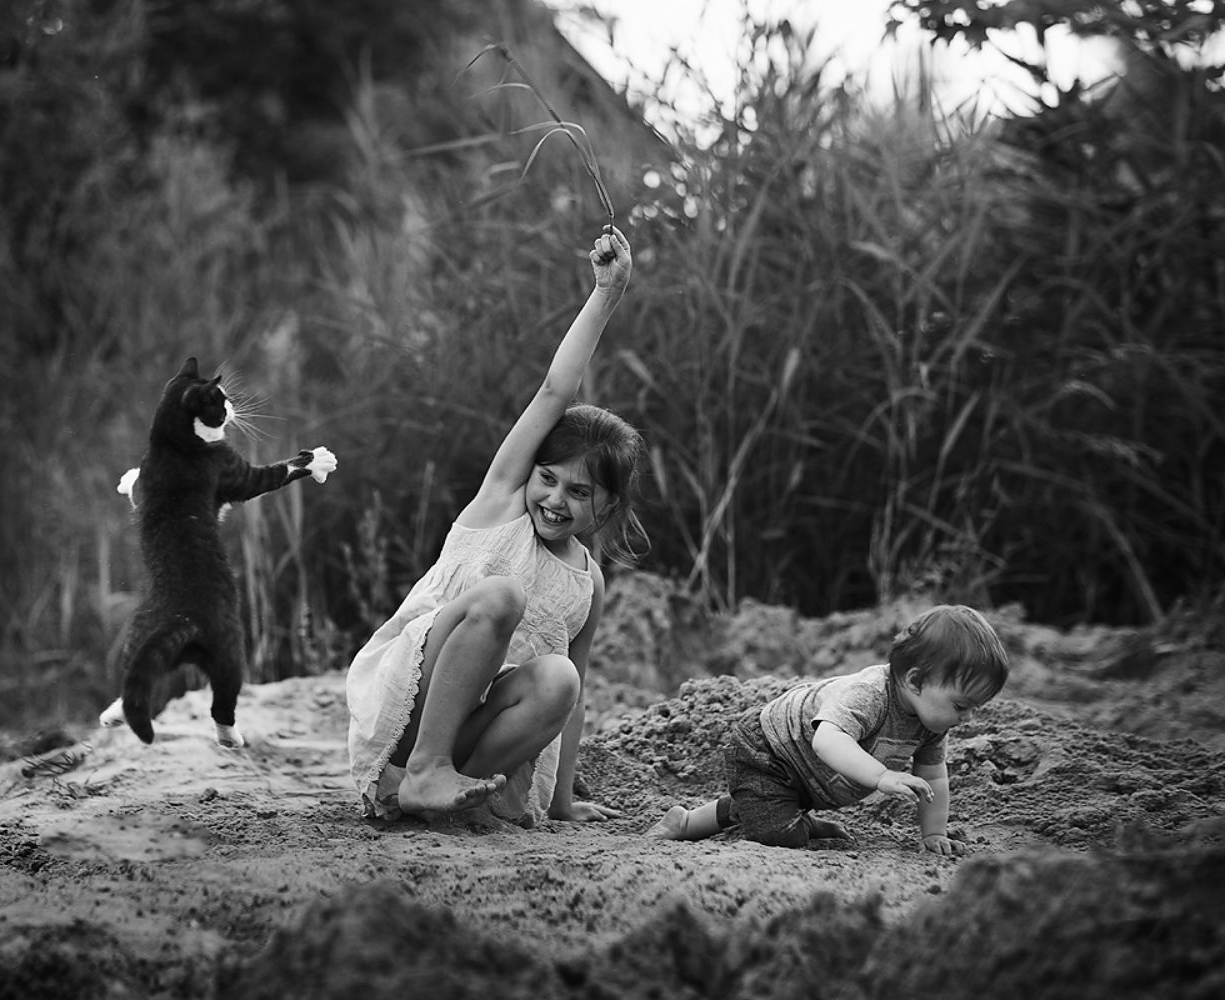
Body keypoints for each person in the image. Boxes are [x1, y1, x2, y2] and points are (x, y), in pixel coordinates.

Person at [345, 225, 644, 826]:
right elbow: (555, 390)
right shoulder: (501, 505)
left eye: (579, 493)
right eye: (548, 479)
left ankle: (467, 794)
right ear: (528, 472)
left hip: (474, 736)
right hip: (408, 718)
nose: (555, 500)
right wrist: (606, 293)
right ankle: (423, 772)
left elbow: (574, 701)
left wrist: (562, 804)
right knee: (502, 595)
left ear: (607, 508)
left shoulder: (587, 582)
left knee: (560, 678)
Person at [647, 604, 1010, 853]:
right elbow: (826, 740)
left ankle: (705, 819)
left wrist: (933, 834)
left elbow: (934, 779)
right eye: (961, 706)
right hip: (769, 750)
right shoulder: (870, 695)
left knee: (770, 812)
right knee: (778, 834)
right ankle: (760, 820)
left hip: (809, 775)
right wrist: (882, 776)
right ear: (915, 681)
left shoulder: (932, 723)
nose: (967, 718)